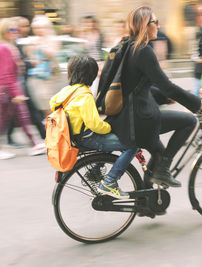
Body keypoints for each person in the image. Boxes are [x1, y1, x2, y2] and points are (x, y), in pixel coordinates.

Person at [109, 6, 202, 188]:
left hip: (125, 117)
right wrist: (199, 104)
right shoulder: (143, 50)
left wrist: (165, 98)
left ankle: (146, 204)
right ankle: (163, 171)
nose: (158, 26)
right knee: (189, 121)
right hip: (139, 120)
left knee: (159, 153)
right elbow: (168, 87)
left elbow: (136, 86)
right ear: (145, 25)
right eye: (155, 22)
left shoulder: (126, 46)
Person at [49, 55, 138, 199]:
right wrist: (109, 127)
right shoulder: (84, 95)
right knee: (132, 145)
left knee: (112, 141)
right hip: (87, 138)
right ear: (90, 75)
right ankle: (110, 182)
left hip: (71, 137)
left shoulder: (67, 91)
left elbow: (54, 104)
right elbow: (94, 124)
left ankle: (95, 171)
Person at [0, 18, 45, 160]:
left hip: (7, 88)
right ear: (4, 32)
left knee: (20, 117)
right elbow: (5, 73)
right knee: (5, 119)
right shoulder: (3, 48)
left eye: (16, 29)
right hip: (6, 89)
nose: (15, 32)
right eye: (12, 30)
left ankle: (34, 144)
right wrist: (15, 92)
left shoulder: (7, 46)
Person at [6, 16, 47, 147]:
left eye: (26, 25)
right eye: (22, 26)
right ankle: (43, 137)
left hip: (20, 81)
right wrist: (30, 63)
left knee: (16, 112)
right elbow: (15, 64)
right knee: (31, 110)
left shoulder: (18, 42)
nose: (25, 29)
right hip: (17, 82)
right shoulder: (10, 44)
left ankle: (8, 137)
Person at [26, 15, 60, 117]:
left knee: (47, 102)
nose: (38, 30)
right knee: (41, 103)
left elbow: (52, 55)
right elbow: (30, 56)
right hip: (35, 76)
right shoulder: (32, 40)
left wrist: (41, 45)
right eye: (36, 28)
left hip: (48, 77)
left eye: (41, 28)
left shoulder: (52, 39)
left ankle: (56, 126)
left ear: (47, 28)